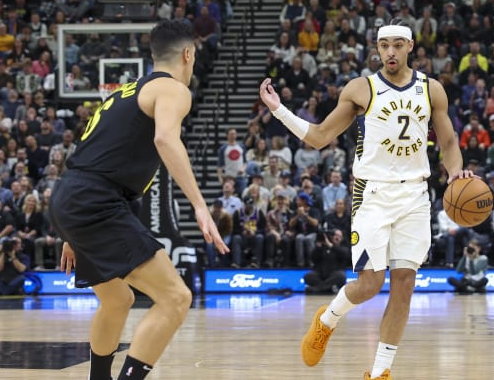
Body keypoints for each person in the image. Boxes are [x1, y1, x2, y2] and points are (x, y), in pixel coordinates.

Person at [259, 21, 472, 380]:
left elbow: (449, 143)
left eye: (397, 45)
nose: (390, 51)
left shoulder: (431, 89)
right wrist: (280, 111)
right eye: (384, 45)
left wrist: (454, 173)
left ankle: (380, 372)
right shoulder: (362, 88)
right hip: (372, 192)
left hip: (416, 194)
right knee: (370, 284)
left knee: (405, 283)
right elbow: (320, 136)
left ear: (410, 46)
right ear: (377, 48)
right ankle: (327, 320)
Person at [49, 20, 227, 380]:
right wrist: (199, 204)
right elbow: (165, 139)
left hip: (70, 195)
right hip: (96, 201)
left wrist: (71, 231)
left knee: (118, 300)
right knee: (176, 298)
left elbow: (93, 153)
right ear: (188, 54)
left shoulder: (122, 92)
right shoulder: (174, 90)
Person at [304, 230, 349, 294]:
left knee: (341, 276)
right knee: (308, 276)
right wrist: (318, 247)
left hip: (334, 274)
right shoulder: (323, 246)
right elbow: (313, 258)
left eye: (339, 236)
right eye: (335, 235)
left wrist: (330, 245)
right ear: (331, 237)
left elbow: (345, 254)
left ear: (342, 238)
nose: (337, 237)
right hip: (321, 274)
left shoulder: (343, 247)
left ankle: (318, 289)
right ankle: (328, 288)